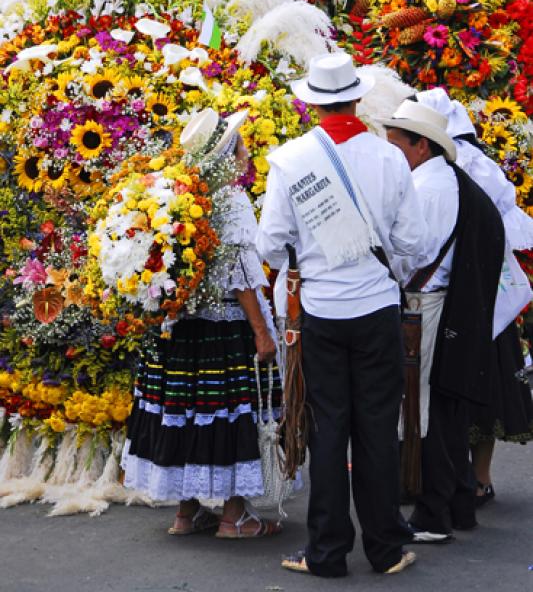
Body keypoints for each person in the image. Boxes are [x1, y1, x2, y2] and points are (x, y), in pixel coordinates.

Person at [256, 52, 428, 577]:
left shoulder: (289, 159)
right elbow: (413, 244)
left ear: (311, 102)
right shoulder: (389, 157)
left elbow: (270, 242)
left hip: (321, 313)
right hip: (377, 308)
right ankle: (386, 548)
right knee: (376, 429)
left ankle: (327, 552)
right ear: (357, 96)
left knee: (328, 429)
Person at [121, 108, 284, 538]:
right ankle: (234, 518)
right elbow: (242, 275)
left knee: (190, 413)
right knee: (232, 415)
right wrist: (262, 334)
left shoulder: (175, 193)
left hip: (181, 330)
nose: (247, 152)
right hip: (224, 329)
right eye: (241, 145)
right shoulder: (228, 199)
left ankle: (186, 513)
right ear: (228, 152)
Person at [383, 99, 505, 539]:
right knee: (440, 409)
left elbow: (410, 258)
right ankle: (454, 503)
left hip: (425, 306)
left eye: (396, 143)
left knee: (424, 409)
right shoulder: (443, 179)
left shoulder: (428, 189)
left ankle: (433, 513)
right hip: (439, 304)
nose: (390, 150)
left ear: (421, 146)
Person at [416, 88, 533, 505]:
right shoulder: (479, 163)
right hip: (488, 292)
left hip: (459, 296)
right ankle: (478, 478)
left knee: (448, 389)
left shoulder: (447, 168)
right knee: (486, 387)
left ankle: (450, 478)